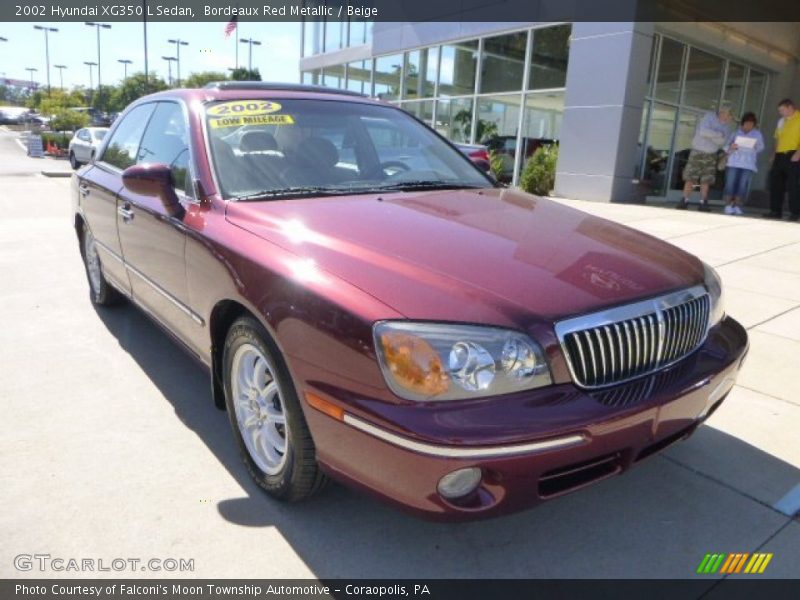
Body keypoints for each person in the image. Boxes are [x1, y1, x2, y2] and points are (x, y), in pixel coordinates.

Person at [676, 107, 733, 211]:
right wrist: (718, 134)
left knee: (706, 180)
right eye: (728, 115)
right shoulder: (709, 116)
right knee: (690, 178)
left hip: (711, 154)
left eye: (729, 117)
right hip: (697, 151)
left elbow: (722, 142)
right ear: (722, 113)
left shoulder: (727, 127)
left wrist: (710, 135)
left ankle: (703, 203)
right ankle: (684, 200)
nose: (729, 118)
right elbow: (703, 132)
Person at [722, 112, 765, 215]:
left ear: (754, 125)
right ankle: (728, 205)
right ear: (742, 123)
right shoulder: (735, 133)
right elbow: (725, 147)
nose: (749, 126)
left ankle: (737, 205)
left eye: (751, 124)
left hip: (748, 164)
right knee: (730, 183)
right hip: (734, 162)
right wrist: (731, 147)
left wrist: (755, 146)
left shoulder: (757, 134)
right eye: (747, 123)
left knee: (742, 185)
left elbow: (761, 147)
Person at [766, 99, 800, 221]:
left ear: (790, 107)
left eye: (782, 110)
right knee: (775, 184)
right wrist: (774, 154)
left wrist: (798, 152)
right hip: (779, 155)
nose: (781, 113)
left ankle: (795, 213)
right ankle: (775, 211)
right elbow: (777, 138)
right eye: (780, 110)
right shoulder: (781, 121)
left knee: (793, 185)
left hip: (793, 154)